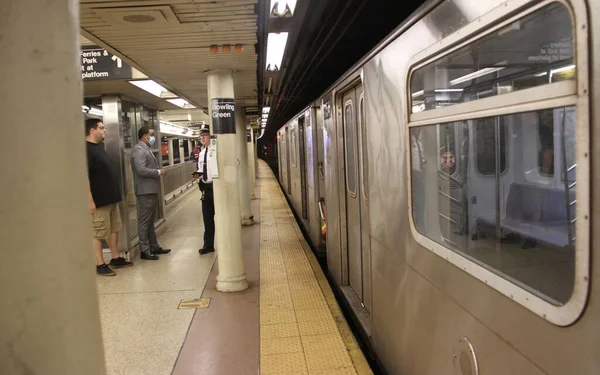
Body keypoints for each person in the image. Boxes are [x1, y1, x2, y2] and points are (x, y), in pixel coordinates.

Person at [85, 118, 133, 276]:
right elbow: (83, 177)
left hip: (111, 198)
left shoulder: (99, 147)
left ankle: (115, 257)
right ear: (92, 130)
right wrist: (89, 200)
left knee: (114, 229)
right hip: (99, 201)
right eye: (101, 128)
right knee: (98, 232)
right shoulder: (85, 149)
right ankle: (100, 264)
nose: (104, 130)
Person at [131, 127, 172, 260]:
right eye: (151, 135)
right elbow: (141, 170)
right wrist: (158, 172)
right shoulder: (138, 150)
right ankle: (144, 250)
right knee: (144, 222)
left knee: (150, 222)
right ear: (144, 136)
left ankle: (153, 246)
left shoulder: (145, 148)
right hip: (145, 191)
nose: (153, 137)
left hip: (150, 190)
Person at [195, 124, 215, 255]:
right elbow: (202, 169)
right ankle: (208, 245)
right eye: (201, 135)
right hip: (206, 189)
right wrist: (198, 175)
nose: (202, 137)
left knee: (222, 217)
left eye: (205, 134)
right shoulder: (202, 153)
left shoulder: (216, 150)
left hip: (216, 188)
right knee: (207, 218)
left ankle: (227, 242)